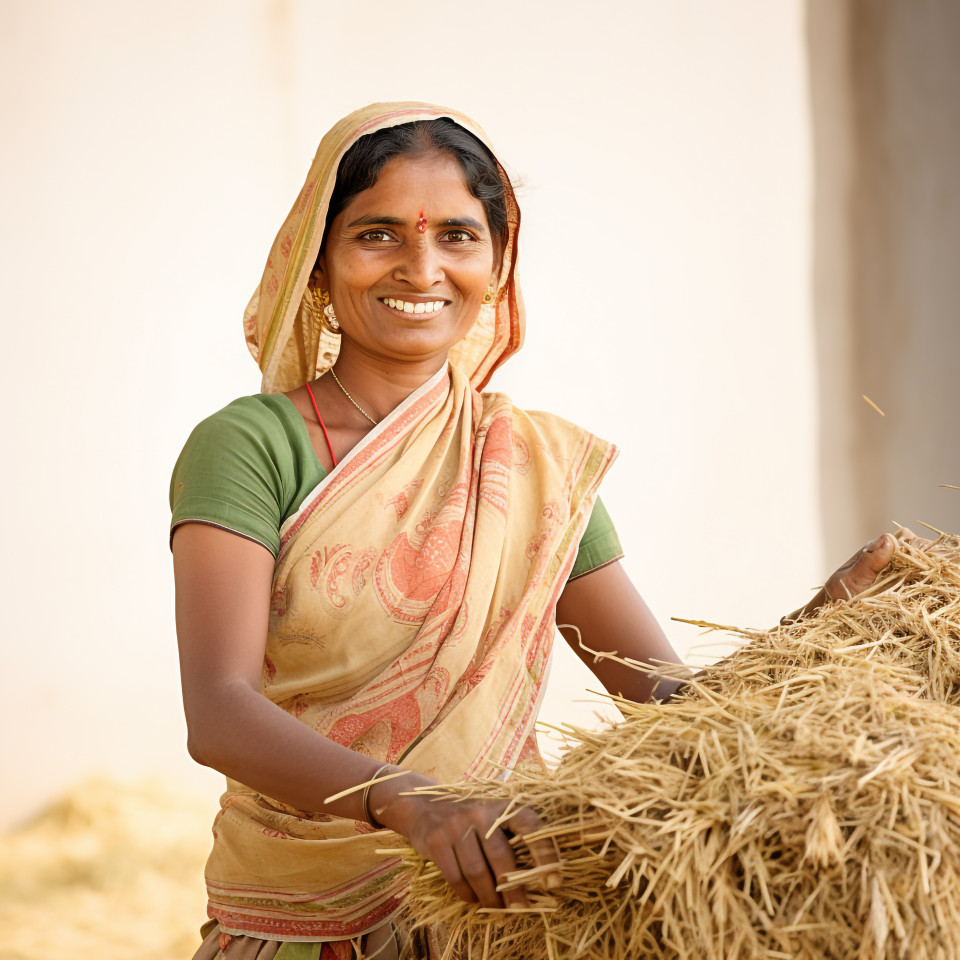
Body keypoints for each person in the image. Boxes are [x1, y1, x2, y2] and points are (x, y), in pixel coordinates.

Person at [170, 102, 899, 960]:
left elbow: (663, 700)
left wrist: (816, 628)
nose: (421, 266)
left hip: (499, 914)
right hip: (301, 921)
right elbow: (218, 713)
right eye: (377, 235)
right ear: (318, 264)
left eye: (457, 235)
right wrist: (412, 803)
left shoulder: (534, 463)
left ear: (498, 264)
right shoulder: (253, 446)